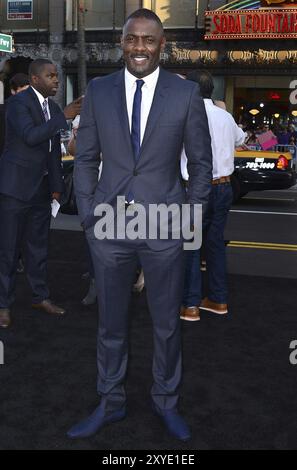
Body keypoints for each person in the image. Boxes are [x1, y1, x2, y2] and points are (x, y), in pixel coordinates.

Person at [68, 8, 212, 441]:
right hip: (109, 224)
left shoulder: (184, 95)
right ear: (122, 42)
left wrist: (191, 216)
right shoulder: (99, 89)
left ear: (162, 45)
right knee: (110, 323)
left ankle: (166, 402)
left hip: (166, 224)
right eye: (133, 39)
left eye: (149, 40)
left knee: (167, 323)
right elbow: (86, 157)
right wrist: (91, 216)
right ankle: (110, 402)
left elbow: (201, 166)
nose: (140, 48)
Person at [0, 59, 82, 328]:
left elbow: (53, 152)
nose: (56, 80)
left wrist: (57, 186)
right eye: (51, 76)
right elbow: (30, 136)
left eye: (57, 75)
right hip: (15, 189)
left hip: (42, 190)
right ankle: (3, 305)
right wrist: (64, 117)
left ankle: (40, 296)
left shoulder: (54, 107)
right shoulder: (17, 104)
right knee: (8, 250)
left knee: (38, 249)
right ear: (35, 79)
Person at [181, 70, 245, 321]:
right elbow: (240, 139)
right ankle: (218, 300)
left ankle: (190, 304)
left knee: (191, 246)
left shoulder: (185, 116)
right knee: (215, 244)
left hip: (197, 187)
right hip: (224, 186)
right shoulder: (224, 116)